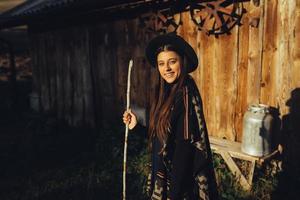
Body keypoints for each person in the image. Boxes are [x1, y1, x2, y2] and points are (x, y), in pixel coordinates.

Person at [123, 33, 218, 200]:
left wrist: (174, 194)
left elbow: (185, 147)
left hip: (180, 184)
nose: (166, 69)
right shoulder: (166, 93)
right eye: (161, 64)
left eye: (172, 62)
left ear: (182, 61)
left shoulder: (186, 95)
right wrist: (136, 127)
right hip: (166, 178)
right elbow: (163, 137)